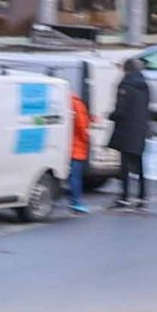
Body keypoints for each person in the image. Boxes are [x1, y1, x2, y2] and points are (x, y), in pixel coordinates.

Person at [110, 56, 155, 209]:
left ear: (126, 69)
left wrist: (111, 116)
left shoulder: (125, 84)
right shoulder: (144, 85)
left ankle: (124, 197)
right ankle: (142, 197)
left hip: (126, 129)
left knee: (124, 166)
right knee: (140, 164)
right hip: (140, 129)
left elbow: (121, 110)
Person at [65, 83, 95, 214]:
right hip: (77, 145)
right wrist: (87, 138)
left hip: (65, 145)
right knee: (76, 176)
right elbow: (81, 125)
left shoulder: (63, 102)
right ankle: (76, 202)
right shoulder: (77, 104)